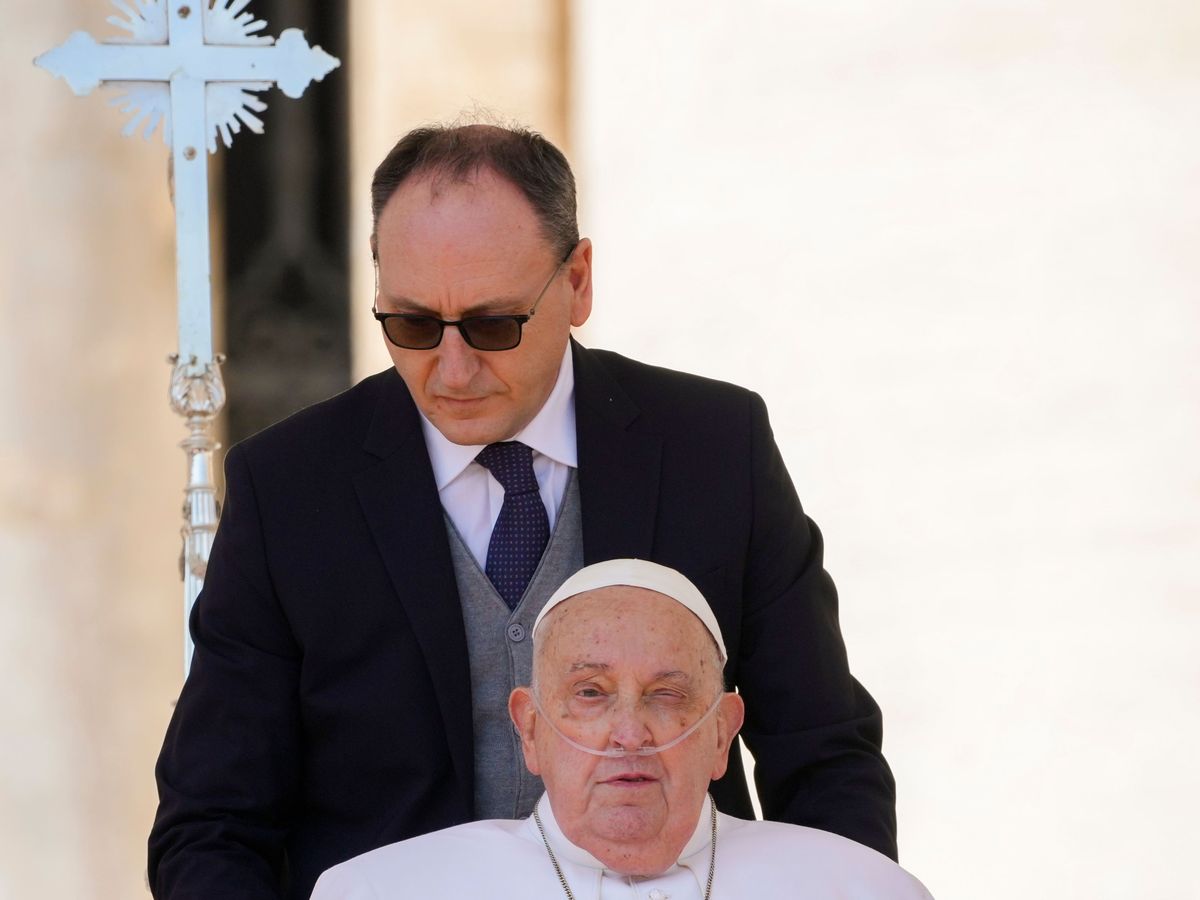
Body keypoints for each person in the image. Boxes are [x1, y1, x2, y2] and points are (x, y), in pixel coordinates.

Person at [148, 121, 896, 900]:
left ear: (578, 282)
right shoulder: (289, 487)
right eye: (410, 325)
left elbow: (823, 757)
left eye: (493, 323)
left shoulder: (714, 448)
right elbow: (212, 823)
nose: (453, 368)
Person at [312, 560, 932, 900]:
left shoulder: (863, 890)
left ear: (722, 735)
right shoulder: (377, 891)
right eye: (590, 693)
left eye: (667, 694)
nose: (629, 733)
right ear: (530, 729)